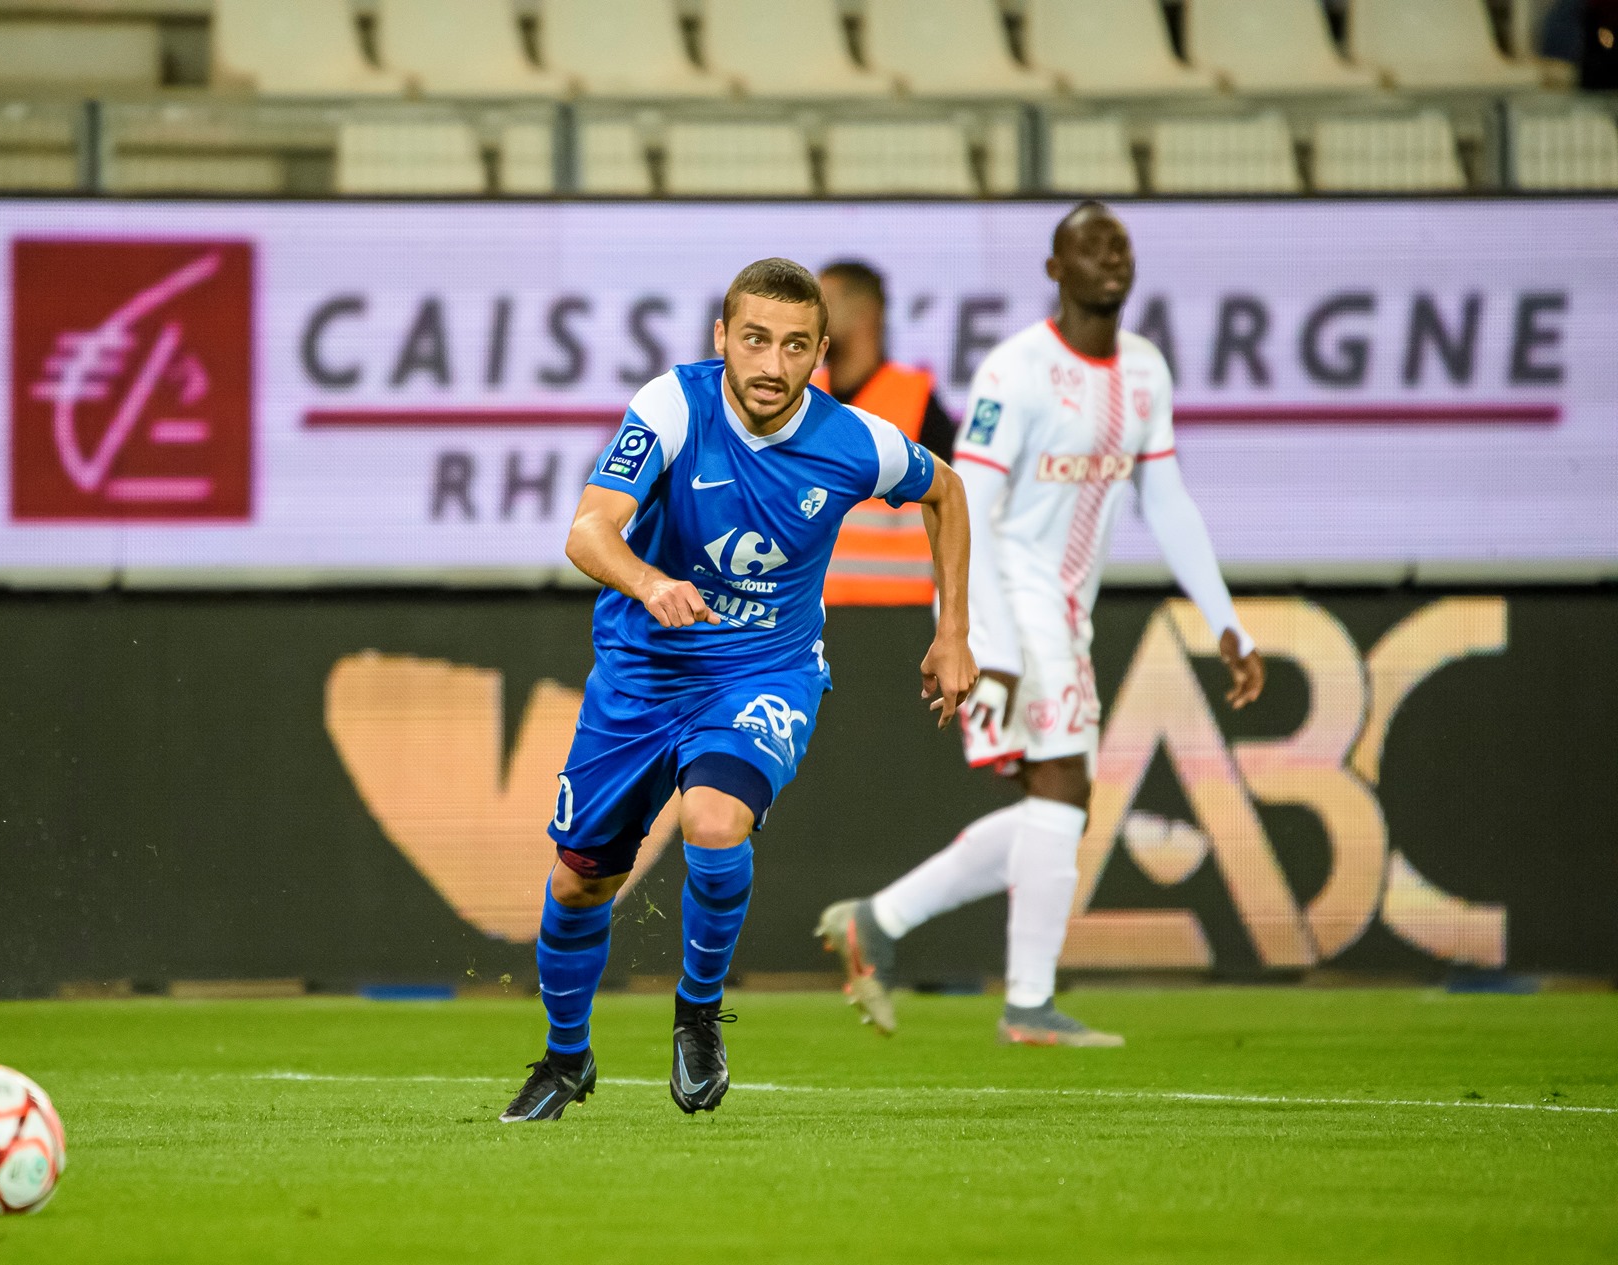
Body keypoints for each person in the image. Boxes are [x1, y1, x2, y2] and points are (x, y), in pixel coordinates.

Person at [499, 258, 978, 1122]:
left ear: (821, 353)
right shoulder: (673, 407)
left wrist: (952, 631)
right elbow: (588, 530)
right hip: (643, 674)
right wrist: (649, 582)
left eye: (795, 346)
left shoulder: (854, 442)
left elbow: (946, 490)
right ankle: (566, 1058)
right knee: (578, 884)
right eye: (755, 339)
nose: (771, 364)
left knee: (715, 822)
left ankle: (697, 1015)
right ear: (722, 337)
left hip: (764, 671)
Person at [815, 202, 1265, 1047]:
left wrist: (1225, 619)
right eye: (1089, 246)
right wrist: (976, 634)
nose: (1110, 256)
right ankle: (1027, 1003)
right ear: (1056, 269)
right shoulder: (1016, 370)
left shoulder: (1145, 370)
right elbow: (967, 501)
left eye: (1119, 243)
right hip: (1007, 597)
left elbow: (1166, 498)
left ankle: (879, 920)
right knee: (1063, 787)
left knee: (1059, 805)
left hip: (1065, 608)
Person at [815, 261, 960, 607]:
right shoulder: (803, 398)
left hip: (900, 615)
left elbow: (955, 506)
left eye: (824, 303)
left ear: (866, 313)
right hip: (813, 614)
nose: (811, 316)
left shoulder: (918, 401)